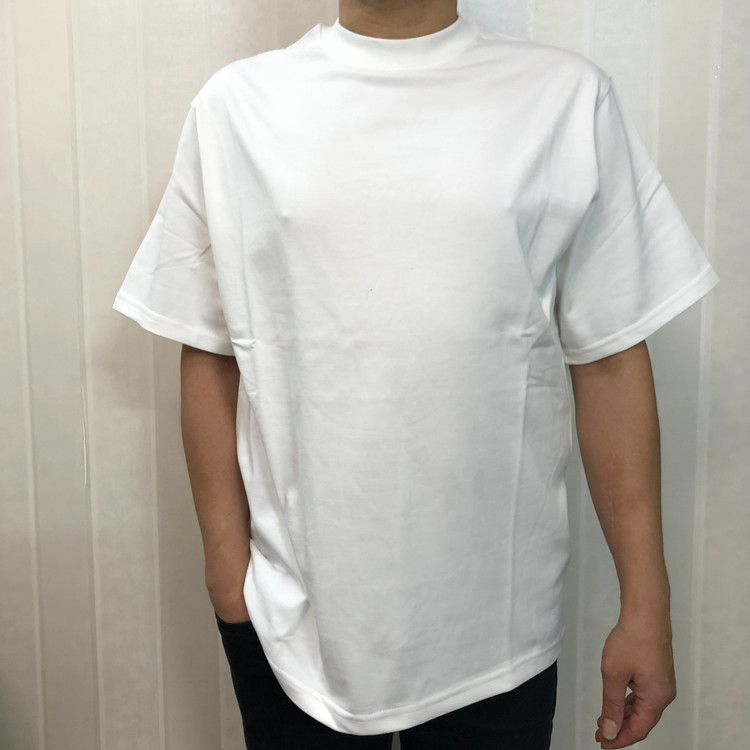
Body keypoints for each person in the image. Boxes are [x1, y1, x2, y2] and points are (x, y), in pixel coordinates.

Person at [112, 1, 719, 748]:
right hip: (293, 623)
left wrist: (646, 604)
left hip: (501, 625)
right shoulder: (237, 107)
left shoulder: (566, 98)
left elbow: (610, 356)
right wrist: (226, 576)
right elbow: (209, 346)